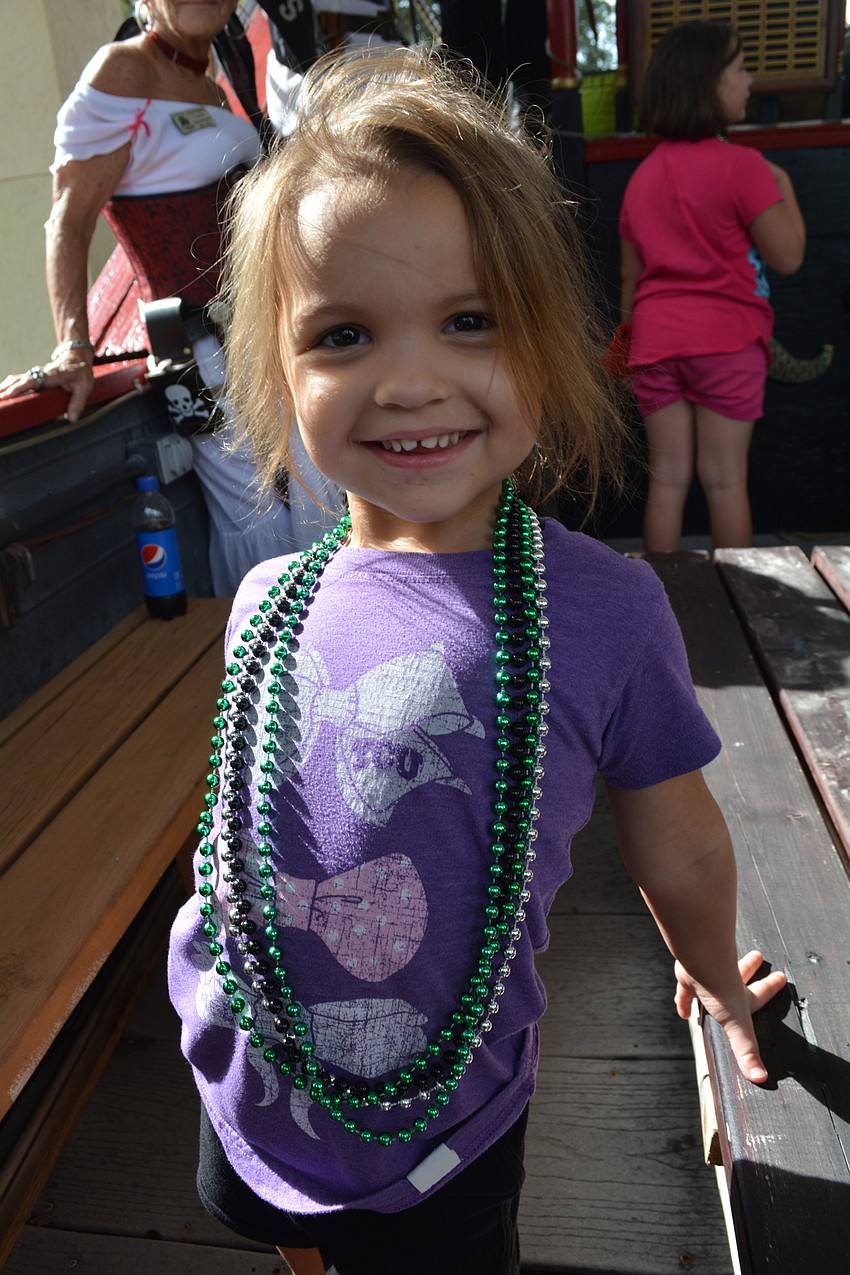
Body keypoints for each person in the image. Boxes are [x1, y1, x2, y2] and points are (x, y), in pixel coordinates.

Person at [167, 46, 787, 1275]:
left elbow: (681, 839)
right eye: (342, 334)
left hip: (438, 1134)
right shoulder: (263, 603)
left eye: (468, 321)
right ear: (278, 373)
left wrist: (712, 973)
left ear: (551, 343)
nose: (408, 380)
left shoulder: (601, 609)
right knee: (277, 1233)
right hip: (241, 1071)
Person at [0, 0, 339, 596]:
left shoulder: (210, 80)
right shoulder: (122, 70)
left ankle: (338, 648)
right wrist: (73, 347)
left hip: (268, 329)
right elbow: (69, 219)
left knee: (320, 489)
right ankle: (269, 672)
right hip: (197, 347)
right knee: (255, 513)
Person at [618, 20, 806, 552]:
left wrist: (624, 355)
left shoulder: (642, 177)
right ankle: (736, 603)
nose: (750, 81)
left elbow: (631, 278)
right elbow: (788, 256)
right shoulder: (745, 167)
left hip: (654, 344)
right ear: (709, 83)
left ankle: (663, 606)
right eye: (741, 68)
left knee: (667, 480)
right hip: (725, 341)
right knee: (724, 481)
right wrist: (783, 183)